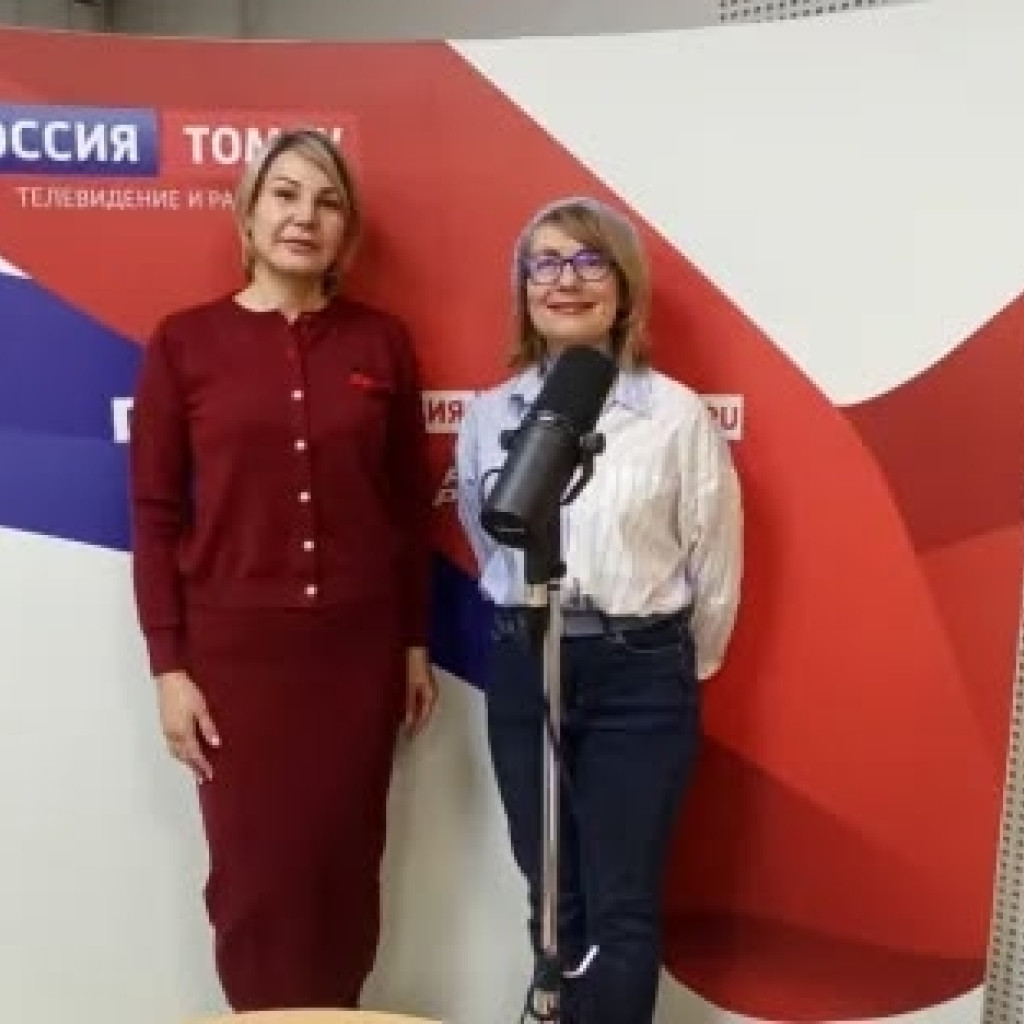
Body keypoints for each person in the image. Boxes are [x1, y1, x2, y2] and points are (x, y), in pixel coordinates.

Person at [128, 128, 438, 1011]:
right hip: (235, 663)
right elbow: (155, 514)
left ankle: (334, 1013)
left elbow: (407, 510)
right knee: (252, 879)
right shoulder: (184, 343)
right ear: (248, 214)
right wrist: (168, 666)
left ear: (347, 232)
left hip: (357, 655)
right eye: (286, 194)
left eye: (328, 201)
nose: (305, 216)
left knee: (345, 868)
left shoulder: (381, 343)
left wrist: (412, 645)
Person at [456, 197, 742, 1024]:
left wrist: (663, 660)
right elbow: (488, 541)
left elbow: (716, 562)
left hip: (637, 676)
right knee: (554, 904)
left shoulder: (673, 416)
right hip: (524, 663)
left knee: (620, 911)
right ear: (524, 289)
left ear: (624, 289)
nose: (566, 280)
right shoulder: (489, 415)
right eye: (545, 263)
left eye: (589, 262)